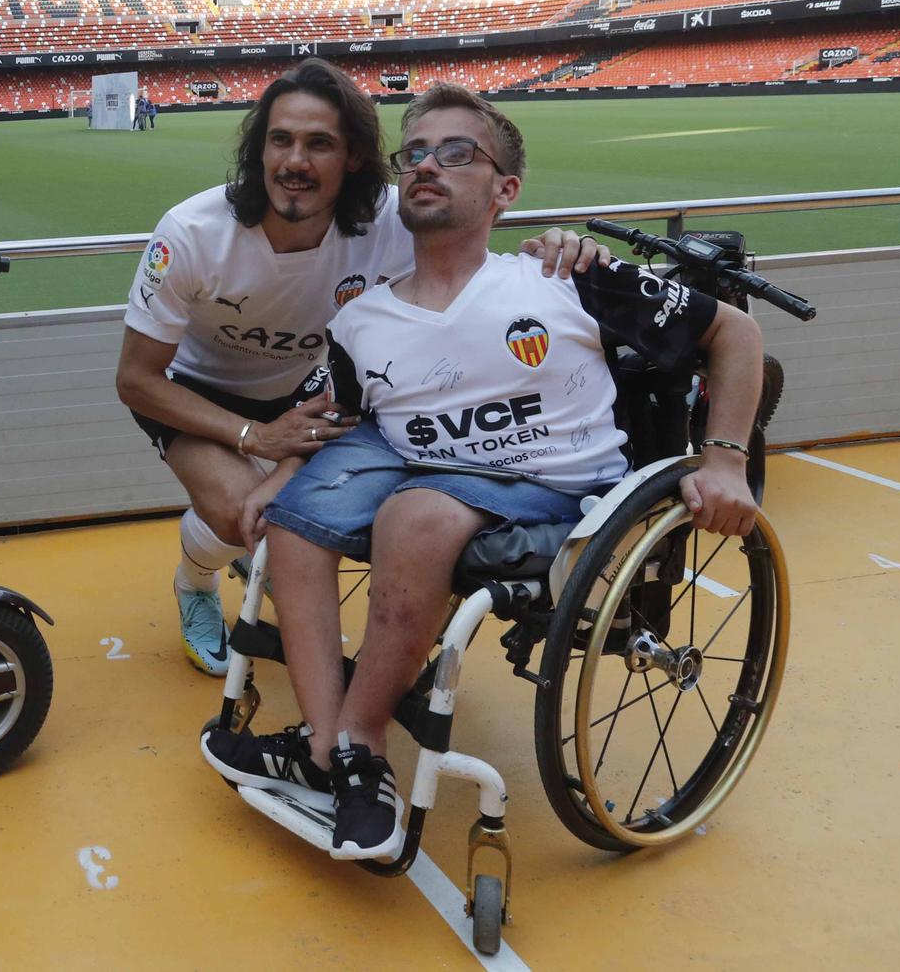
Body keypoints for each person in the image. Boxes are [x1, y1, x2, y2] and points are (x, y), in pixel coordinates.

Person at [201, 84, 764, 861]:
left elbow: (735, 334)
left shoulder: (564, 277)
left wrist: (726, 457)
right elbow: (342, 420)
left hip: (561, 496)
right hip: (426, 476)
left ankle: (357, 746)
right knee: (296, 527)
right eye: (416, 154)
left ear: (506, 190)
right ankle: (330, 751)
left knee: (416, 513)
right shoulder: (360, 321)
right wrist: (275, 478)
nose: (428, 166)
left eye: (456, 152)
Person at [115, 59, 594, 678]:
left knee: (288, 514)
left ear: (356, 159)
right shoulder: (192, 232)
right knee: (241, 514)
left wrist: (559, 244)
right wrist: (254, 438)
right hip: (195, 389)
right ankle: (195, 579)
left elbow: (475, 228)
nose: (294, 162)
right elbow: (136, 380)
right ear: (258, 151)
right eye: (280, 140)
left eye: (320, 144)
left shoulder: (394, 216)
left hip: (312, 384)